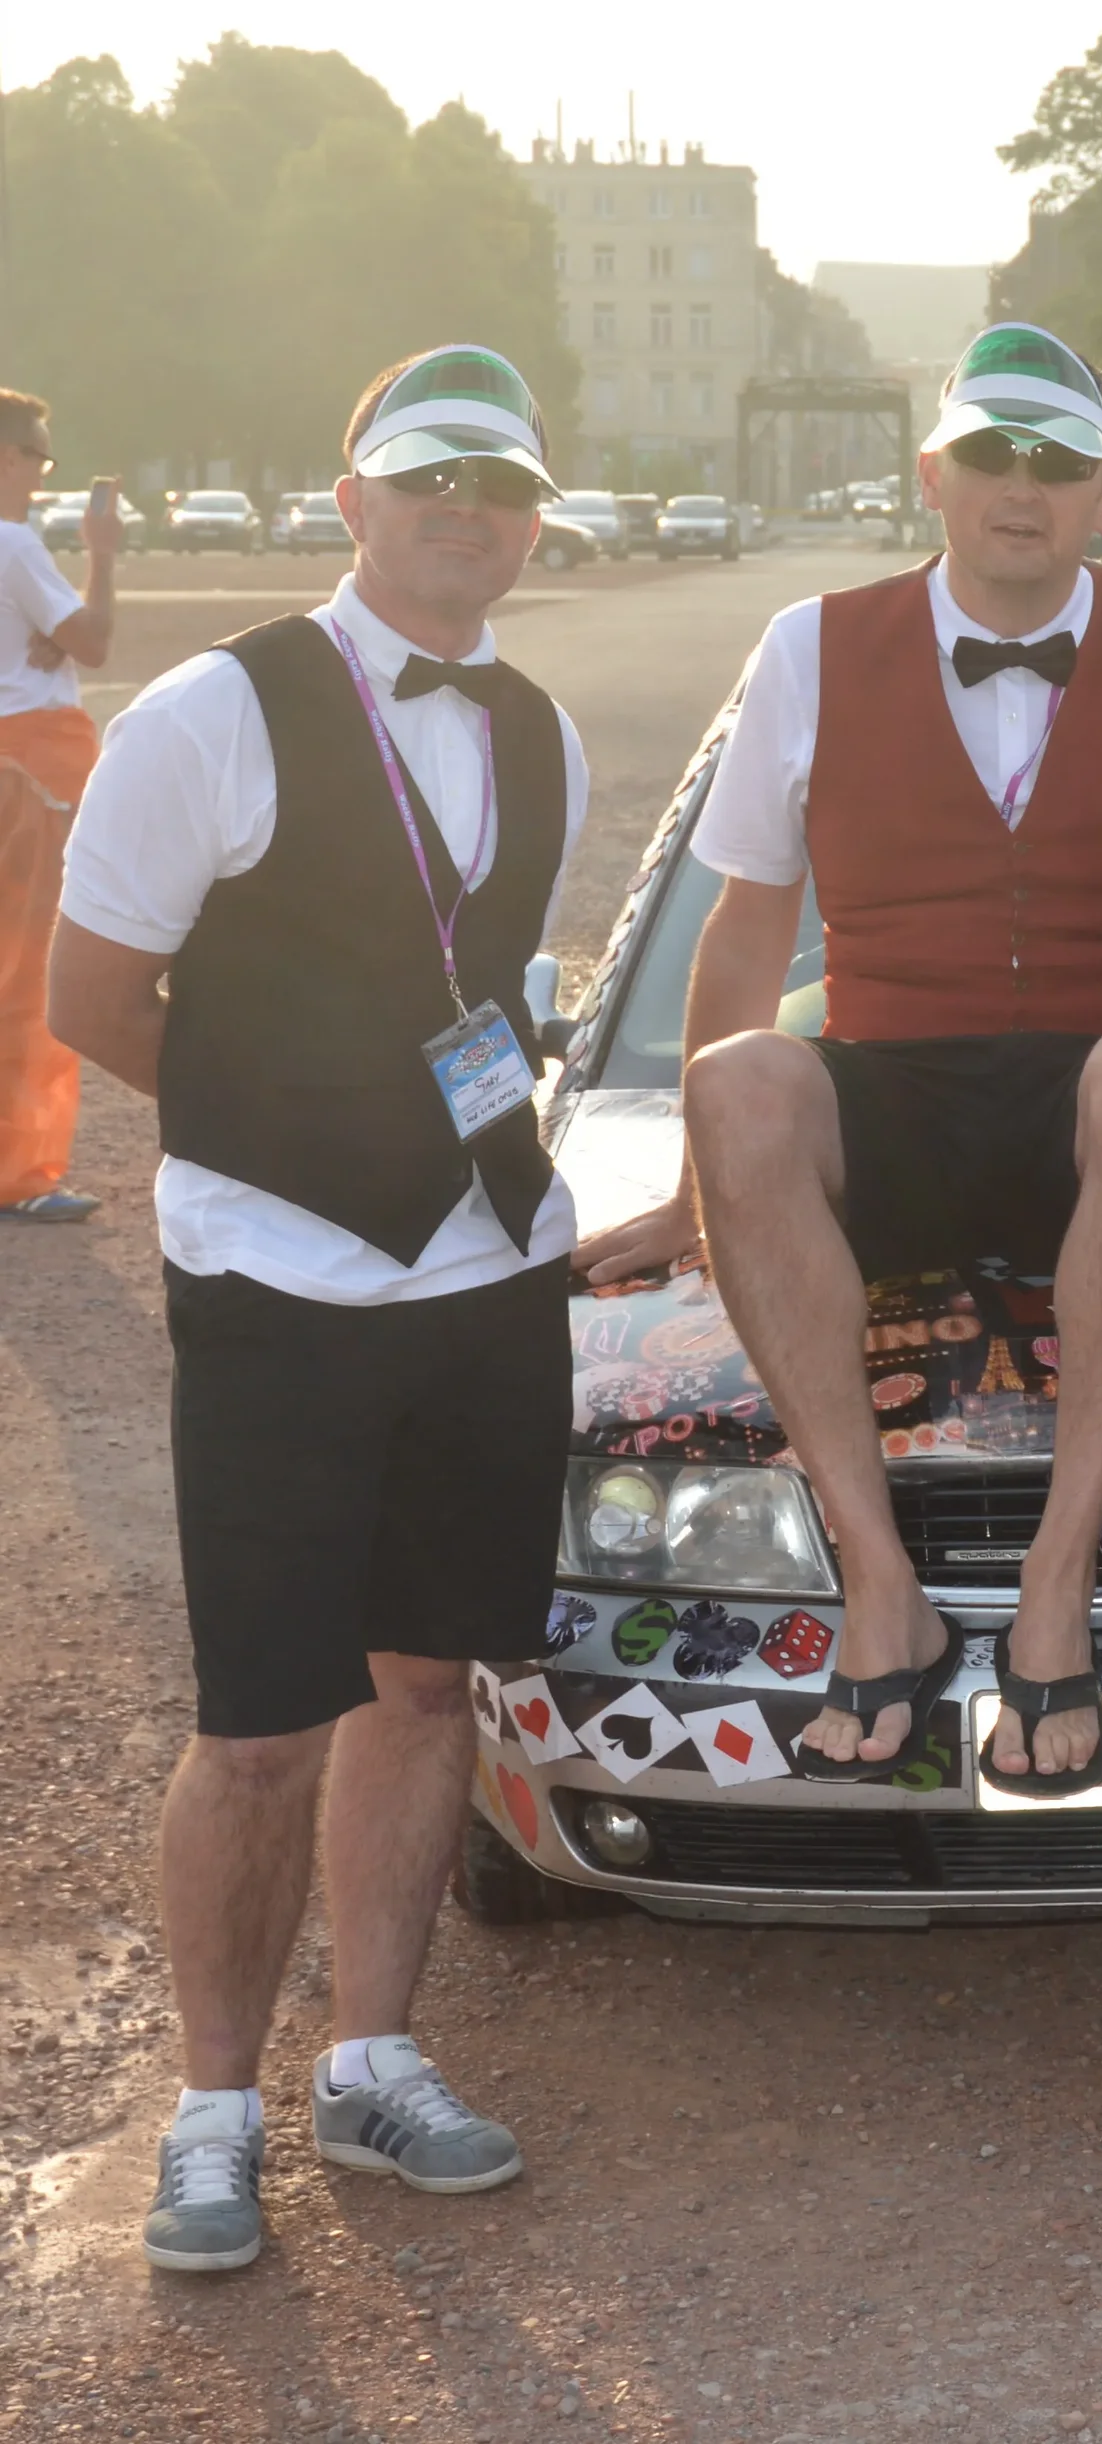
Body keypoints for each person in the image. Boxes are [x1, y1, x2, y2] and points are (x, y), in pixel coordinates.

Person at [48, 346, 585, 2271]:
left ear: (536, 513)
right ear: (351, 498)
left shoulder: (542, 724)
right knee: (264, 1718)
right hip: (279, 1268)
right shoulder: (213, 708)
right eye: (429, 477)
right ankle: (212, 2104)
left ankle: (372, 2057)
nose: (468, 510)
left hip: (487, 1267)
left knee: (429, 1676)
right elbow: (97, 1000)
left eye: (502, 483)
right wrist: (281, 1130)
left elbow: (497, 981)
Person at [576, 323, 1102, 1798]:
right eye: (995, 456)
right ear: (935, 473)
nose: (1025, 488)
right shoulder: (810, 642)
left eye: (1060, 464)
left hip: (1099, 1110)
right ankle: (880, 1580)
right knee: (746, 1073)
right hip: (893, 1093)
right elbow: (748, 928)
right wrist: (706, 1187)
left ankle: (1058, 1579)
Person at [0, 390, 117, 1221]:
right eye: (38, 453)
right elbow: (96, 641)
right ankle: (23, 1170)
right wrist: (102, 555)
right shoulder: (13, 544)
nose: (44, 469)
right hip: (31, 762)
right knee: (30, 969)